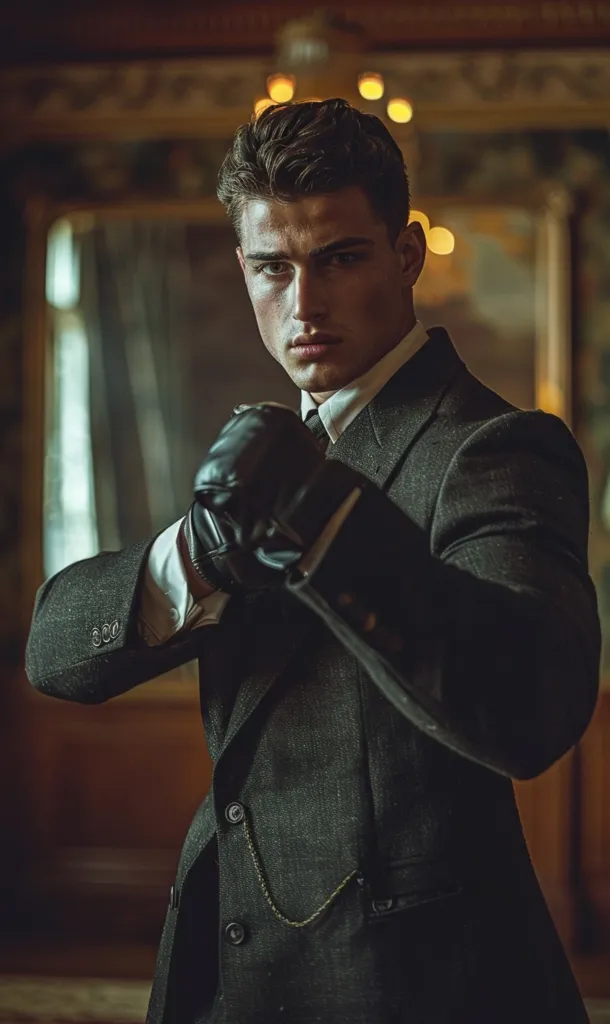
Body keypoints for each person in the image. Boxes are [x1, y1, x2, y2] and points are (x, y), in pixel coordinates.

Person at [26, 99, 600, 1024]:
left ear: (406, 254)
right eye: (272, 267)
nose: (306, 304)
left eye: (340, 258)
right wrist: (203, 551)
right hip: (226, 970)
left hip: (409, 989)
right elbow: (54, 654)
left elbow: (533, 702)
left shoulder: (494, 447)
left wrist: (324, 522)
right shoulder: (261, 464)